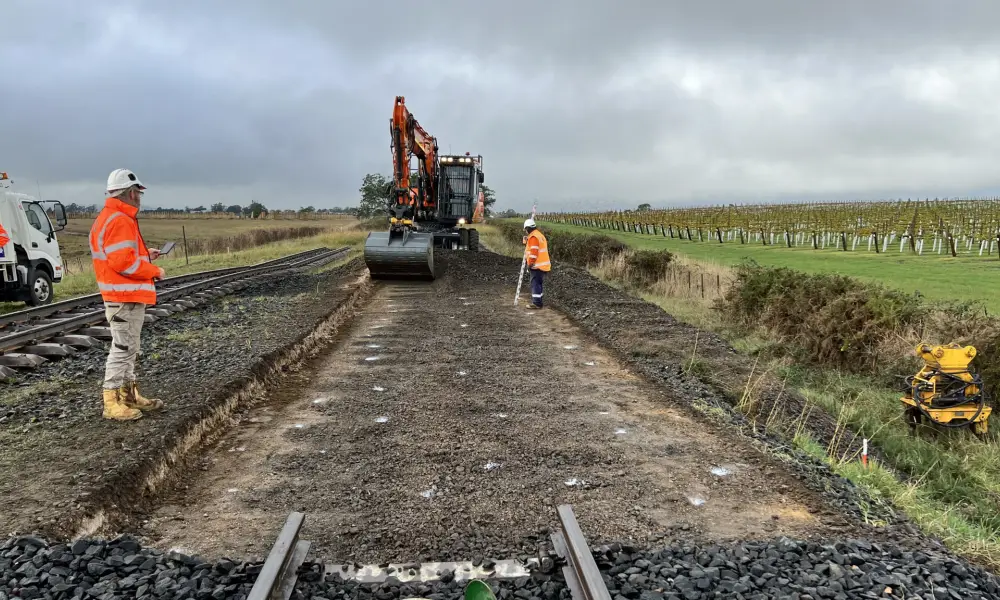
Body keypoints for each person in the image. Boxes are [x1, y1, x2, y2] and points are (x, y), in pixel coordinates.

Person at [89, 169, 166, 421]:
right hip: (124, 298)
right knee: (122, 348)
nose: (140, 198)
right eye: (138, 193)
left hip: (125, 296)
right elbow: (124, 264)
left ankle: (129, 394)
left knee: (131, 347)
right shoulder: (119, 219)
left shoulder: (110, 217)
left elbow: (123, 258)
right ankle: (111, 401)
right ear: (131, 193)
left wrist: (146, 255)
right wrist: (154, 270)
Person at [522, 218, 551, 309]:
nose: (525, 231)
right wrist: (526, 241)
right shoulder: (539, 235)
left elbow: (533, 252)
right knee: (538, 283)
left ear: (527, 228)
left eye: (525, 229)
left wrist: (530, 264)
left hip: (537, 265)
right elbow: (532, 246)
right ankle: (539, 301)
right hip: (543, 265)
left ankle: (537, 303)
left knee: (535, 283)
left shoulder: (534, 237)